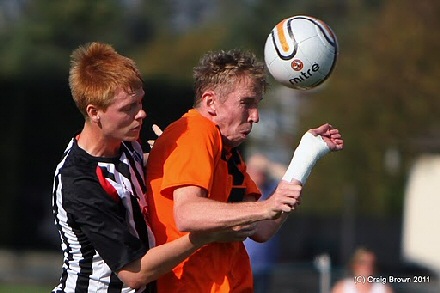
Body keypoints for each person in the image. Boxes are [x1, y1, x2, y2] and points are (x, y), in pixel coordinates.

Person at [51, 42, 253, 293]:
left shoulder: (127, 146)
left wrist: (165, 153)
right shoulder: (80, 181)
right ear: (94, 112)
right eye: (128, 108)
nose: (141, 113)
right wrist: (203, 235)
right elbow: (135, 274)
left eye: (139, 102)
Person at [146, 49, 344, 292]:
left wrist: (304, 158)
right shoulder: (194, 133)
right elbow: (188, 213)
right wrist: (263, 208)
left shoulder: (227, 152)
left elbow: (262, 228)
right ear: (211, 103)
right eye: (246, 103)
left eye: (257, 104)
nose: (256, 116)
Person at [243, 153, 280, 293]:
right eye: (256, 170)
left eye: (263, 171)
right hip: (243, 263)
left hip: (265, 264)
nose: (260, 174)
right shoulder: (240, 193)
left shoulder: (272, 192)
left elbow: (287, 180)